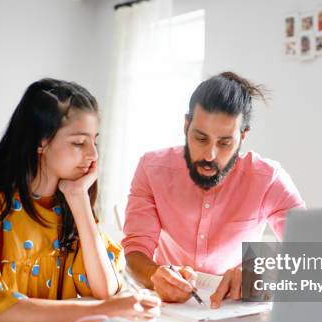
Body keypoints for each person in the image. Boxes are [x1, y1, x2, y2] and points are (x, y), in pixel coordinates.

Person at [0, 78, 159, 322]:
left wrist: (79, 198)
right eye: (78, 142)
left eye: (94, 142)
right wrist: (100, 312)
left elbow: (105, 288)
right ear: (40, 142)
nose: (93, 155)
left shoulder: (68, 206)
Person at [122, 72, 305, 309]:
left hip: (236, 306)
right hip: (167, 306)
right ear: (186, 125)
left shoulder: (268, 178)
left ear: (242, 136)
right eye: (200, 139)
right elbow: (136, 249)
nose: (210, 155)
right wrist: (155, 274)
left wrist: (262, 273)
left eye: (224, 143)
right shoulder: (151, 168)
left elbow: (308, 250)